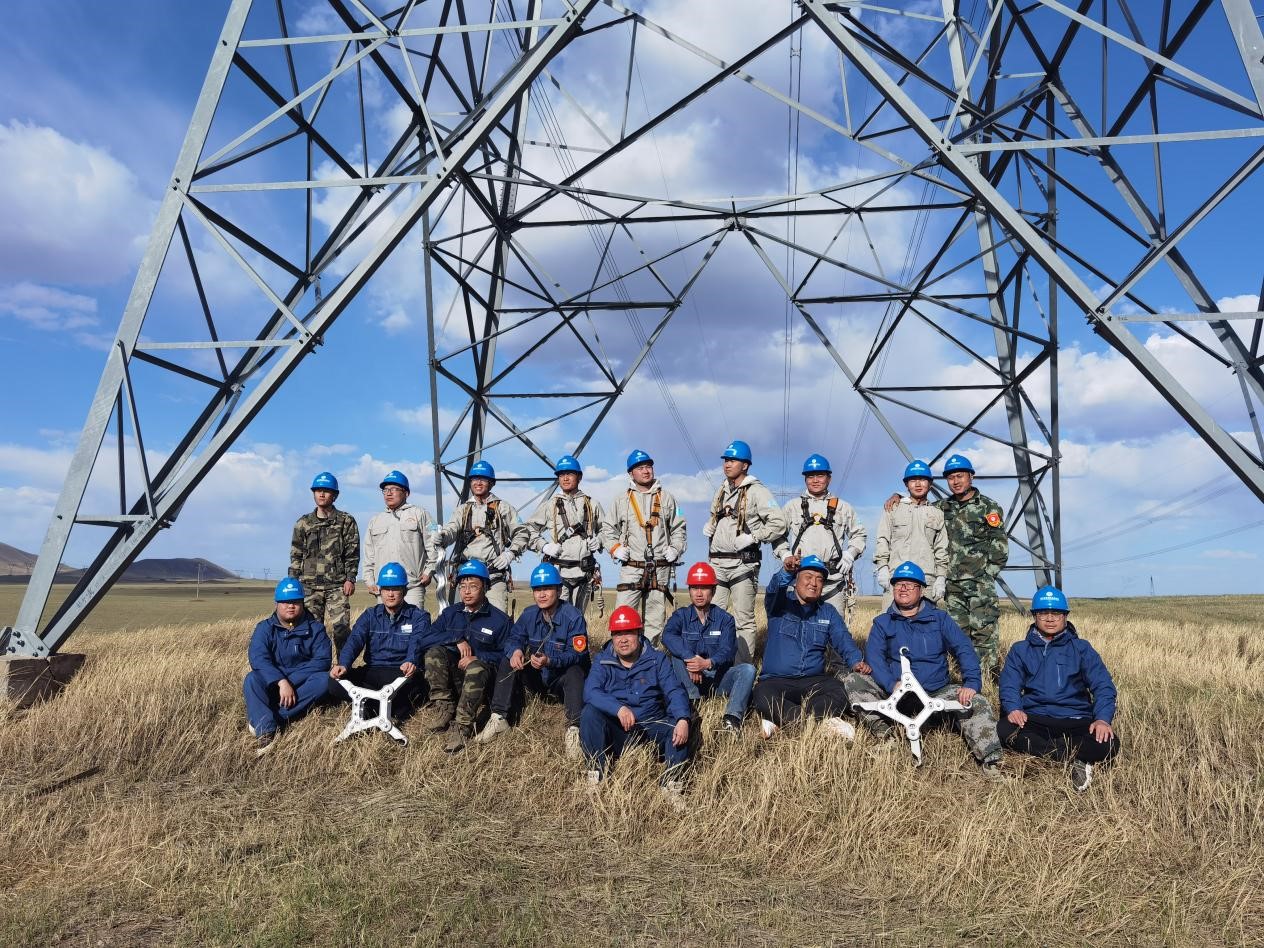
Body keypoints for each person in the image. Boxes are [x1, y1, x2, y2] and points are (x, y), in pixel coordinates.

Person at [844, 561, 1004, 777]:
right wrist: (892, 684)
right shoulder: (882, 623)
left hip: (935, 691)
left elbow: (964, 650)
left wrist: (972, 684)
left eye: (910, 585)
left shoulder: (940, 619)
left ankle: (991, 761)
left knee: (976, 702)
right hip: (896, 693)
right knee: (854, 681)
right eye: (899, 584)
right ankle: (886, 736)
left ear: (921, 590)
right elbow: (875, 658)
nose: (903, 589)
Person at [884, 453, 1008, 678]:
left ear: (971, 476)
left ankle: (987, 678)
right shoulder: (942, 508)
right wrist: (898, 495)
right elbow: (918, 504)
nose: (956, 481)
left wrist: (987, 575)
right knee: (955, 632)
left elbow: (999, 546)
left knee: (984, 631)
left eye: (960, 476)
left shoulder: (989, 507)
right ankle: (961, 676)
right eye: (951, 478)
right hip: (950, 583)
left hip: (979, 582)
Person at [998, 586, 1120, 790]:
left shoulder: (1082, 648)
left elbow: (1103, 686)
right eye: (1043, 613)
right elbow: (1009, 684)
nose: (1050, 618)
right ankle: (1075, 756)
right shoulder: (1020, 649)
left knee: (1108, 743)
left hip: (1076, 720)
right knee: (1003, 730)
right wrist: (1013, 708)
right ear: (1034, 616)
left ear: (1065, 616)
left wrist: (1102, 719)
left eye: (1056, 613)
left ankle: (1063, 756)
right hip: (1035, 718)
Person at [580, 605, 692, 803]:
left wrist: (683, 718)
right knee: (590, 713)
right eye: (617, 634)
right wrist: (618, 708)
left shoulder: (657, 660)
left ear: (639, 633)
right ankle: (596, 772)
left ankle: (671, 784)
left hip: (650, 726)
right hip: (618, 729)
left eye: (629, 633)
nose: (623, 640)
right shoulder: (603, 660)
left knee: (679, 727)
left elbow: (674, 690)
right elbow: (590, 691)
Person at [753, 556, 870, 739]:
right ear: (796, 579)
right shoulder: (779, 605)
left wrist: (856, 661)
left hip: (813, 681)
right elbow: (774, 589)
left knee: (840, 690)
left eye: (819, 579)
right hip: (777, 681)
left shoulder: (827, 611)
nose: (814, 583)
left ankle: (784, 720)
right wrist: (785, 572)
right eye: (808, 576)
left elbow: (843, 639)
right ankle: (818, 721)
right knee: (761, 694)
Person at [483, 562, 591, 758]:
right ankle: (499, 718)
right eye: (537, 589)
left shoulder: (573, 617)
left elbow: (579, 654)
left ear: (559, 590)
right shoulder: (529, 614)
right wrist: (516, 650)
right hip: (537, 677)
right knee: (508, 659)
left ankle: (575, 729)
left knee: (575, 671)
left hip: (561, 681)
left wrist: (550, 661)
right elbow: (514, 638)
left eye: (547, 589)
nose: (542, 594)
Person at [704, 440, 788, 662]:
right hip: (717, 564)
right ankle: (714, 666)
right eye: (726, 460)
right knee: (714, 618)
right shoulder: (721, 491)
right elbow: (715, 516)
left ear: (745, 465)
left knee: (744, 621)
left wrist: (753, 537)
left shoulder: (758, 492)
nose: (727, 464)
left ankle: (744, 668)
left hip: (743, 564)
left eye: (732, 460)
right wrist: (711, 525)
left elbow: (779, 523)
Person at [421, 559, 515, 753]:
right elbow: (425, 639)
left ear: (486, 587)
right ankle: (445, 707)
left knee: (477, 666)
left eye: (473, 586)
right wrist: (455, 638)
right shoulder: (450, 614)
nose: (466, 591)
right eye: (463, 586)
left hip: (483, 681)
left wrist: (478, 656)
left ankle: (462, 726)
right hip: (455, 678)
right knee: (434, 653)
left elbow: (507, 657)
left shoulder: (500, 620)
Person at [601, 449, 687, 645]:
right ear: (631, 473)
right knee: (623, 617)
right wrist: (614, 548)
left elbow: (679, 527)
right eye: (640, 468)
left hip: (660, 567)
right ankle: (621, 663)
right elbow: (607, 529)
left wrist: (676, 548)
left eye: (648, 466)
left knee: (655, 620)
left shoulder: (668, 498)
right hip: (632, 566)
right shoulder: (620, 500)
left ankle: (650, 661)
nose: (646, 471)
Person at [660, 561, 755, 735]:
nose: (699, 593)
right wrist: (690, 659)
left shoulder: (725, 619)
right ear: (689, 590)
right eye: (694, 588)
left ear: (713, 591)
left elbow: (728, 651)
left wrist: (707, 663)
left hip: (717, 678)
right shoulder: (680, 616)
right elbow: (667, 636)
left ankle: (732, 718)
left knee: (748, 670)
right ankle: (692, 703)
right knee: (676, 654)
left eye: (704, 588)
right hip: (689, 678)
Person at [242, 577, 332, 755]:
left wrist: (290, 682)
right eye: (286, 602)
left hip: (301, 684)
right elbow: (258, 658)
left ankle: (269, 718)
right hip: (273, 682)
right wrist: (281, 681)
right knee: (252, 679)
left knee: (325, 680)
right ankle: (267, 733)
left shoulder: (316, 629)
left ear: (302, 603)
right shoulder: (264, 628)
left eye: (295, 602)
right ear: (277, 603)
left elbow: (323, 661)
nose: (290, 606)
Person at [328, 562, 429, 720]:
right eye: (386, 589)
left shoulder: (419, 616)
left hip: (401, 674)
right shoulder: (369, 615)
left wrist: (411, 662)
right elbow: (355, 640)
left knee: (418, 688)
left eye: (395, 589)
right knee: (334, 683)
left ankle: (370, 705)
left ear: (404, 590)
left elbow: (417, 643)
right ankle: (383, 705)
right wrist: (343, 664)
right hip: (373, 672)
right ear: (380, 591)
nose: (390, 594)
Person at [774, 453, 865, 623]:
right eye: (810, 476)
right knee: (798, 628)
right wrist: (785, 554)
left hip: (832, 582)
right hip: (801, 581)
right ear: (805, 479)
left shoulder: (843, 507)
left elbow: (859, 534)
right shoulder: (792, 507)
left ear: (829, 478)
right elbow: (777, 535)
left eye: (820, 475)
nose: (815, 480)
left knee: (834, 630)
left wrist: (851, 554)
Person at [434, 460, 529, 613]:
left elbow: (522, 533)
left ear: (491, 483)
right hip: (467, 576)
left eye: (483, 479)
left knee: (498, 620)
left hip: (493, 575)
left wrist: (511, 553)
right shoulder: (463, 510)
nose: (478, 482)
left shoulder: (503, 508)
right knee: (463, 622)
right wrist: (443, 537)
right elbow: (451, 529)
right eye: (474, 479)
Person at [525, 455, 605, 614]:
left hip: (585, 572)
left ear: (579, 477)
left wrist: (600, 540)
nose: (565, 478)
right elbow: (528, 530)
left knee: (578, 618)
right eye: (561, 475)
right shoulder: (550, 506)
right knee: (558, 617)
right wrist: (544, 546)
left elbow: (607, 530)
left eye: (570, 474)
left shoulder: (592, 504)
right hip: (559, 572)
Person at [289, 471, 359, 651]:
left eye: (326, 491)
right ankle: (315, 670)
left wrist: (350, 578)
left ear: (334, 495)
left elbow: (352, 552)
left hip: (337, 585)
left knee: (342, 630)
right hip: (309, 586)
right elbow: (296, 554)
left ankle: (344, 671)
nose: (321, 494)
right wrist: (293, 582)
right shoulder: (303, 523)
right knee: (311, 630)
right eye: (318, 490)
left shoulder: (346, 521)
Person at [872, 460, 947, 609]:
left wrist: (941, 577)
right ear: (906, 484)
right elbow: (882, 539)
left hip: (927, 580)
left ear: (930, 484)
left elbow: (941, 548)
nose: (918, 484)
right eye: (913, 480)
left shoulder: (937, 513)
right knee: (891, 625)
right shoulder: (893, 508)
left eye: (923, 479)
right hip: (897, 578)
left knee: (926, 626)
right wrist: (882, 567)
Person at [363, 469, 440, 610]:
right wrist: (369, 580)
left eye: (394, 489)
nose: (388, 493)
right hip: (384, 588)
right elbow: (369, 555)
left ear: (406, 493)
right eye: (385, 490)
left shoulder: (420, 514)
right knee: (385, 629)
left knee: (414, 627)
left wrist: (429, 571)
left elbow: (434, 544)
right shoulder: (376, 520)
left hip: (412, 586)